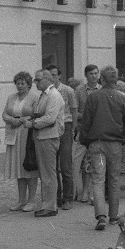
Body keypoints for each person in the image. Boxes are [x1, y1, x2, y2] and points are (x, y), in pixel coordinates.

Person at [79, 65, 125, 230]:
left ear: (102, 79)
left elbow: (86, 121)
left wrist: (85, 140)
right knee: (114, 180)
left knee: (98, 179)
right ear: (115, 80)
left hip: (97, 144)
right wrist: (121, 140)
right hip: (115, 144)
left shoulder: (94, 97)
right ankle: (114, 216)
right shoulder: (123, 98)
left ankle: (101, 215)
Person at [26, 68, 65, 217]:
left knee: (48, 172)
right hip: (42, 136)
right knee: (45, 172)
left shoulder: (53, 95)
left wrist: (33, 124)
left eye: (38, 80)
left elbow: (50, 118)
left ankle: (50, 206)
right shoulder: (44, 95)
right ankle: (47, 203)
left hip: (48, 136)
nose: (35, 82)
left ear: (47, 80)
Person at [0, 70, 40, 212]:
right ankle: (21, 200)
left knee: (28, 166)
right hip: (13, 134)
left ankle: (31, 200)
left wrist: (23, 120)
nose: (20, 86)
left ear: (29, 84)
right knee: (18, 167)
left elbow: (37, 115)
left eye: (23, 83)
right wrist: (12, 120)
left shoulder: (34, 98)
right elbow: (4, 114)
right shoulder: (11, 97)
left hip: (27, 134)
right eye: (18, 83)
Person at [45, 64, 78, 211]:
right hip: (52, 128)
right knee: (52, 166)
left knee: (65, 165)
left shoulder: (68, 90)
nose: (51, 77)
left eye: (53, 74)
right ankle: (56, 197)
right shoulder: (46, 92)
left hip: (66, 127)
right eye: (48, 75)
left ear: (59, 76)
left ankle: (68, 198)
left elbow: (74, 110)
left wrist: (74, 129)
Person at [75, 64, 101, 203]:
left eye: (96, 73)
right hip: (83, 132)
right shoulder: (79, 91)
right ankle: (83, 191)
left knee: (96, 163)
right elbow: (74, 112)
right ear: (86, 75)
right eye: (91, 73)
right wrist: (87, 116)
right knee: (83, 163)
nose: (94, 76)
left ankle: (93, 193)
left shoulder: (102, 90)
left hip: (98, 133)